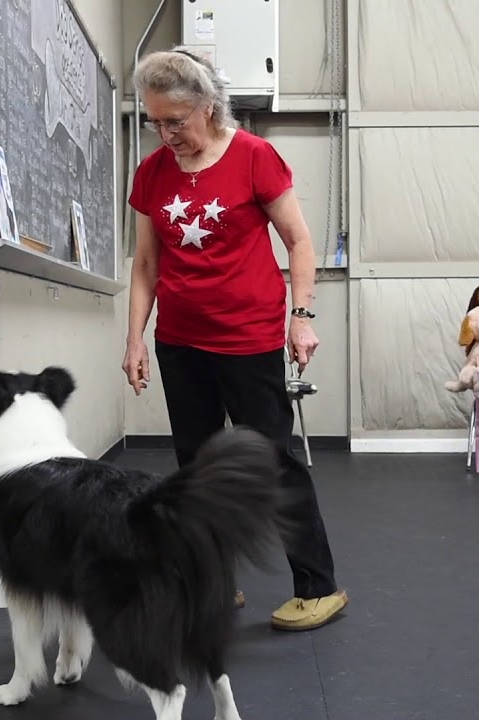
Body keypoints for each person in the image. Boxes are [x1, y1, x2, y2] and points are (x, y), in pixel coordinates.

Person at [122, 49, 348, 632]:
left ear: (208, 106)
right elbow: (147, 263)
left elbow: (299, 242)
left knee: (273, 461)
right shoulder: (151, 174)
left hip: (247, 341)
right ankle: (212, 585)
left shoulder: (254, 157)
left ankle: (317, 587)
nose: (166, 133)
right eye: (155, 121)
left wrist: (301, 316)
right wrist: (135, 339)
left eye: (177, 121)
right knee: (195, 470)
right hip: (180, 342)